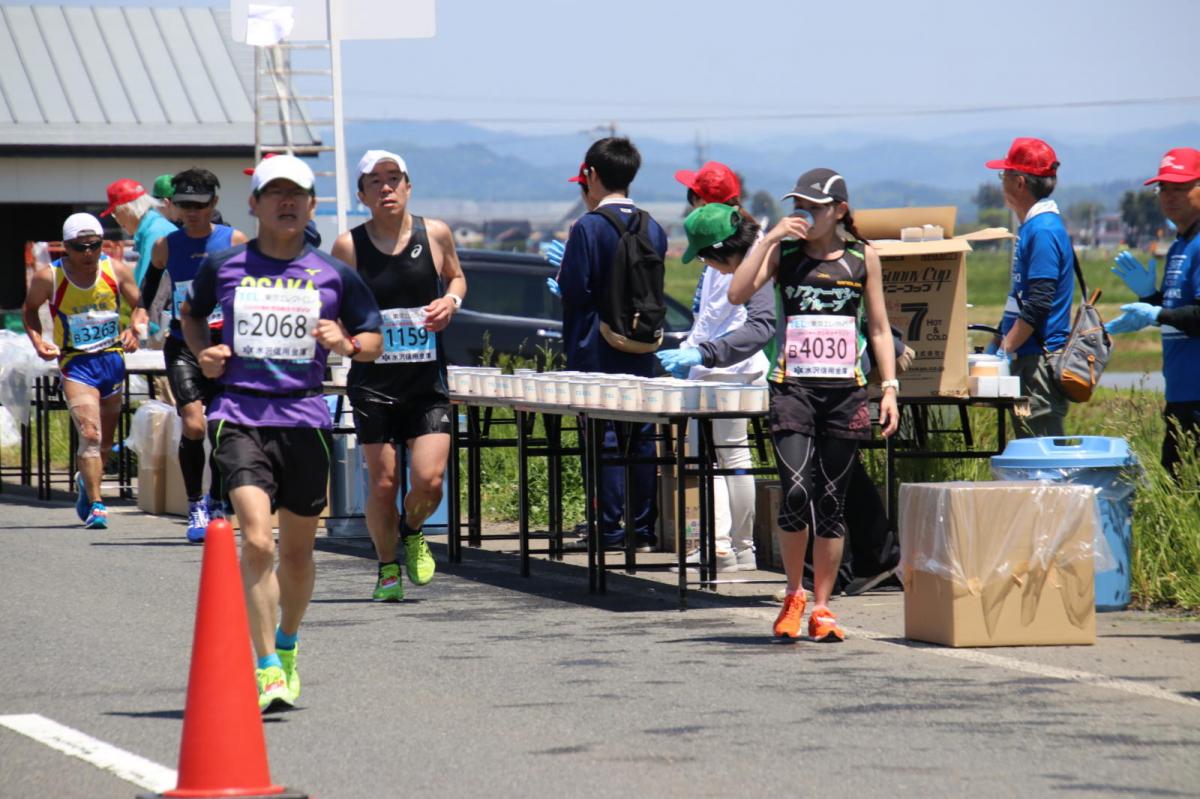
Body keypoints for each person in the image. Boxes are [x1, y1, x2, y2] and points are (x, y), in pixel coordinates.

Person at [181, 155, 382, 712]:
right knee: (256, 539)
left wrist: (345, 344)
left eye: (297, 194)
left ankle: (288, 643)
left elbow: (373, 339)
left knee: (296, 555)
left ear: (312, 205)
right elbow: (191, 315)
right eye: (275, 193)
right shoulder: (224, 265)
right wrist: (205, 353)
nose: (286, 202)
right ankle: (267, 664)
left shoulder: (334, 275)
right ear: (255, 204)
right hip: (239, 414)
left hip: (304, 419)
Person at [730, 168, 899, 642]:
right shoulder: (783, 255)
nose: (804, 213)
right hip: (793, 391)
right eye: (799, 205)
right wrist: (767, 239)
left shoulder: (863, 259)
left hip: (845, 393)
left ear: (839, 210)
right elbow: (737, 292)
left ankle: (822, 607)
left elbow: (879, 329)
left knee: (830, 502)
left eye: (815, 206)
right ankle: (793, 593)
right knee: (796, 492)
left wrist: (889, 388)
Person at [330, 150, 467, 602]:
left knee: (430, 480)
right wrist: (348, 337)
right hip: (374, 382)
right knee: (384, 483)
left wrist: (450, 302)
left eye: (394, 178)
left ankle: (412, 529)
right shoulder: (349, 246)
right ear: (362, 195)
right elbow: (334, 305)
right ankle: (388, 568)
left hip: (426, 381)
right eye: (375, 181)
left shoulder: (435, 233)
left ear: (408, 186)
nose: (386, 187)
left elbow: (456, 278)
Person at [658, 162, 775, 572]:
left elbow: (718, 316)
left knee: (716, 457)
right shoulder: (747, 238)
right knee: (733, 455)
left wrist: (696, 353)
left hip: (722, 363)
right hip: (732, 362)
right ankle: (740, 547)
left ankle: (721, 545)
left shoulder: (730, 247)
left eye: (693, 197)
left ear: (705, 203)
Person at [557, 137, 667, 551]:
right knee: (640, 436)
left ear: (591, 175)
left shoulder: (588, 227)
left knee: (602, 437)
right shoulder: (653, 226)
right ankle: (642, 530)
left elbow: (574, 290)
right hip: (641, 346)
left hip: (595, 346)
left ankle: (608, 527)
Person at [132, 168, 248, 543]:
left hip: (224, 346)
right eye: (184, 206)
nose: (192, 213)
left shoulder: (234, 240)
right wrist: (140, 311)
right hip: (183, 344)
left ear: (214, 203)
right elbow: (152, 281)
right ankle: (196, 502)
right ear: (175, 206)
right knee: (195, 426)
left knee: (222, 427)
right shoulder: (167, 244)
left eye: (199, 205)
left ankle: (217, 500)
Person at [22, 213, 141, 529]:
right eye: (79, 247)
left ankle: (86, 483)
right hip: (76, 363)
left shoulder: (115, 269)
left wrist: (135, 329)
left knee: (105, 444)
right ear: (66, 247)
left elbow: (142, 304)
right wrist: (38, 341)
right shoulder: (49, 277)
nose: (88, 253)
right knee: (90, 434)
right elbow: (29, 310)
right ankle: (98, 505)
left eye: (94, 245)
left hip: (111, 360)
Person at [1107, 147, 1200, 478]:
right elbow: (1178, 311)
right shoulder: (1178, 246)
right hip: (1180, 391)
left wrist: (1156, 314)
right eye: (1164, 189)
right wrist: (1151, 298)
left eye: (1180, 188)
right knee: (1177, 485)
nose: (1170, 197)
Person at [983, 137, 1075, 438]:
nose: (1001, 183)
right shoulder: (1034, 227)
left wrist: (1005, 349)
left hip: (1037, 362)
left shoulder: (1043, 230)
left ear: (1019, 182)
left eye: (1004, 175)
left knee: (1041, 451)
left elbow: (1038, 303)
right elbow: (1020, 299)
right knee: (1029, 446)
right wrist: (998, 339)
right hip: (1026, 358)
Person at [102, 179, 177, 289]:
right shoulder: (153, 227)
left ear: (127, 208)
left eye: (114, 212)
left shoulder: (153, 232)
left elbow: (146, 286)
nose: (116, 220)